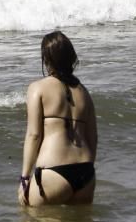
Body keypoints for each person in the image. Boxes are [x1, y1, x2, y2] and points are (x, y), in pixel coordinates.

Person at [19, 31, 98, 207]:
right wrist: (87, 169)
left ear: (47, 59)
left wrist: (24, 177)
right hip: (86, 172)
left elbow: (34, 135)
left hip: (53, 170)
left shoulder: (37, 88)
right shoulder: (84, 93)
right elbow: (93, 138)